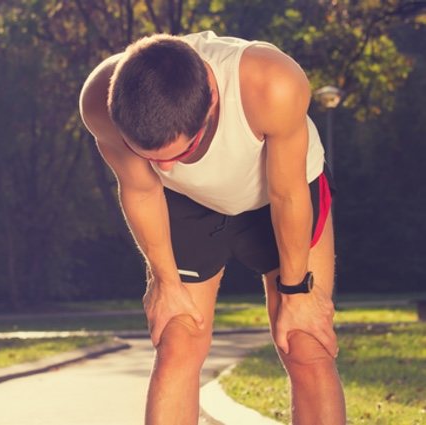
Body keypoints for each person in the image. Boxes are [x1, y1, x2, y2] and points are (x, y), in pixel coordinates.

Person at [78, 31, 346, 425]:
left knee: (304, 342)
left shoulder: (272, 83)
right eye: (152, 157)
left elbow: (288, 196)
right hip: (186, 203)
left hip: (281, 196)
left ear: (213, 100)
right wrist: (165, 282)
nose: (167, 167)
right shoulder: (99, 100)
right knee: (177, 344)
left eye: (182, 153)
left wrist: (295, 292)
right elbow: (142, 190)